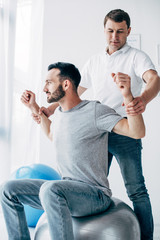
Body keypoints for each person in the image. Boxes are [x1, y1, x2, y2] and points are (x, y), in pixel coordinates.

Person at [35, 9, 160, 240]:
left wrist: (141, 99)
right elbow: (75, 91)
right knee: (89, 188)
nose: (115, 36)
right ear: (104, 31)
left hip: (123, 130)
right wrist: (51, 109)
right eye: (111, 31)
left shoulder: (136, 56)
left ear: (128, 32)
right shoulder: (94, 61)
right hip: (96, 131)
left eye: (120, 32)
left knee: (137, 190)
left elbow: (154, 79)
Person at [0, 62, 145, 240]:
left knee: (50, 189)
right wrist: (33, 108)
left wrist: (127, 96)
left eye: (49, 83)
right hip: (65, 191)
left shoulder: (95, 111)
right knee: (8, 189)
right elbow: (52, 134)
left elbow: (136, 131)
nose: (44, 88)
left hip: (94, 194)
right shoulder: (60, 113)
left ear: (66, 84)